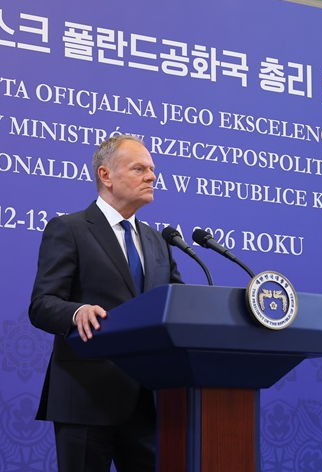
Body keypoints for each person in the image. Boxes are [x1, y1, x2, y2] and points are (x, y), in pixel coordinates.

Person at [28, 134, 183, 472]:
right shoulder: (69, 229)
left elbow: (178, 302)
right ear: (106, 175)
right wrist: (77, 311)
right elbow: (41, 304)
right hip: (86, 397)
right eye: (139, 169)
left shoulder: (158, 241)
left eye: (152, 169)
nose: (152, 176)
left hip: (148, 400)